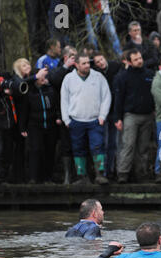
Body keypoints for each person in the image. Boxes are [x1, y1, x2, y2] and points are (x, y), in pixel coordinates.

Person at [60, 53, 111, 185]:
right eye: (83, 63)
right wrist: (66, 119)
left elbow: (106, 97)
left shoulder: (98, 77)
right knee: (78, 149)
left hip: (95, 120)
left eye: (88, 63)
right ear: (76, 64)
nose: (87, 65)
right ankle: (82, 177)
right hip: (76, 120)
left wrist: (102, 116)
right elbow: (64, 100)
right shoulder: (69, 78)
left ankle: (100, 174)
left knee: (98, 147)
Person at [114, 49, 155, 184]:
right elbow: (118, 98)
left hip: (148, 114)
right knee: (128, 145)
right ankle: (123, 173)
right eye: (136, 59)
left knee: (143, 147)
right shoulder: (123, 77)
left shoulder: (149, 74)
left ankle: (141, 173)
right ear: (129, 62)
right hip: (131, 114)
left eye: (140, 58)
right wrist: (117, 118)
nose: (140, 61)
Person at [19, 73, 60, 184]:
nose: (44, 79)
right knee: (35, 150)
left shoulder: (51, 90)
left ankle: (48, 177)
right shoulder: (29, 92)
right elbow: (24, 111)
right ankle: (33, 177)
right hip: (35, 125)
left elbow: (57, 105)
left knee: (50, 151)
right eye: (41, 77)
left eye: (45, 77)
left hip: (51, 124)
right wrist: (22, 127)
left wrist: (59, 117)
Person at [47, 45, 78, 185]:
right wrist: (66, 66)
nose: (75, 59)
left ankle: (80, 175)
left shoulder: (79, 69)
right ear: (66, 57)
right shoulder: (58, 70)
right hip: (62, 114)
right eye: (73, 56)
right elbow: (54, 80)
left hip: (79, 112)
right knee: (65, 145)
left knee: (79, 145)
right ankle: (66, 176)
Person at [92, 52, 122, 181]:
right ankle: (102, 172)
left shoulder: (115, 66)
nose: (100, 63)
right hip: (101, 113)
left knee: (113, 144)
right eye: (97, 62)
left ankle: (111, 170)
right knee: (102, 143)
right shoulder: (95, 74)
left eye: (101, 60)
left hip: (115, 111)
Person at [0, 68, 19, 184]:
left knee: (7, 151)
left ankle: (3, 176)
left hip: (7, 125)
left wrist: (7, 90)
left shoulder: (2, 88)